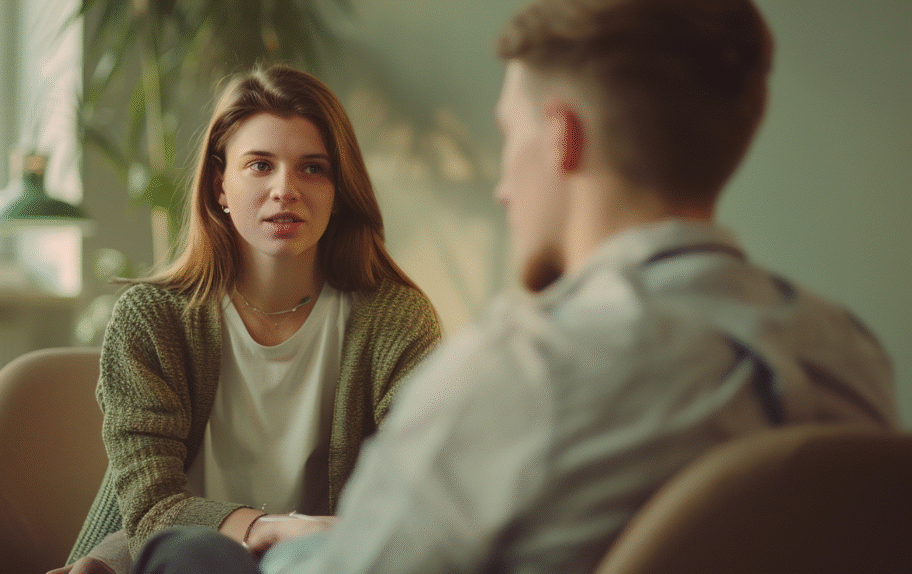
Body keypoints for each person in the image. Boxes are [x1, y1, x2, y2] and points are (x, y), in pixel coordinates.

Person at [130, 1, 899, 573]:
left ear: (561, 137)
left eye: (509, 136)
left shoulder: (524, 370)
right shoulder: (852, 359)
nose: (501, 185)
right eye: (257, 166)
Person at [49, 65, 441, 574]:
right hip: (179, 555)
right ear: (219, 187)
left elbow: (420, 486)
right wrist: (270, 529)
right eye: (260, 165)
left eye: (313, 168)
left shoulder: (397, 321)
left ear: (339, 190)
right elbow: (153, 510)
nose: (285, 189)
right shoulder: (150, 320)